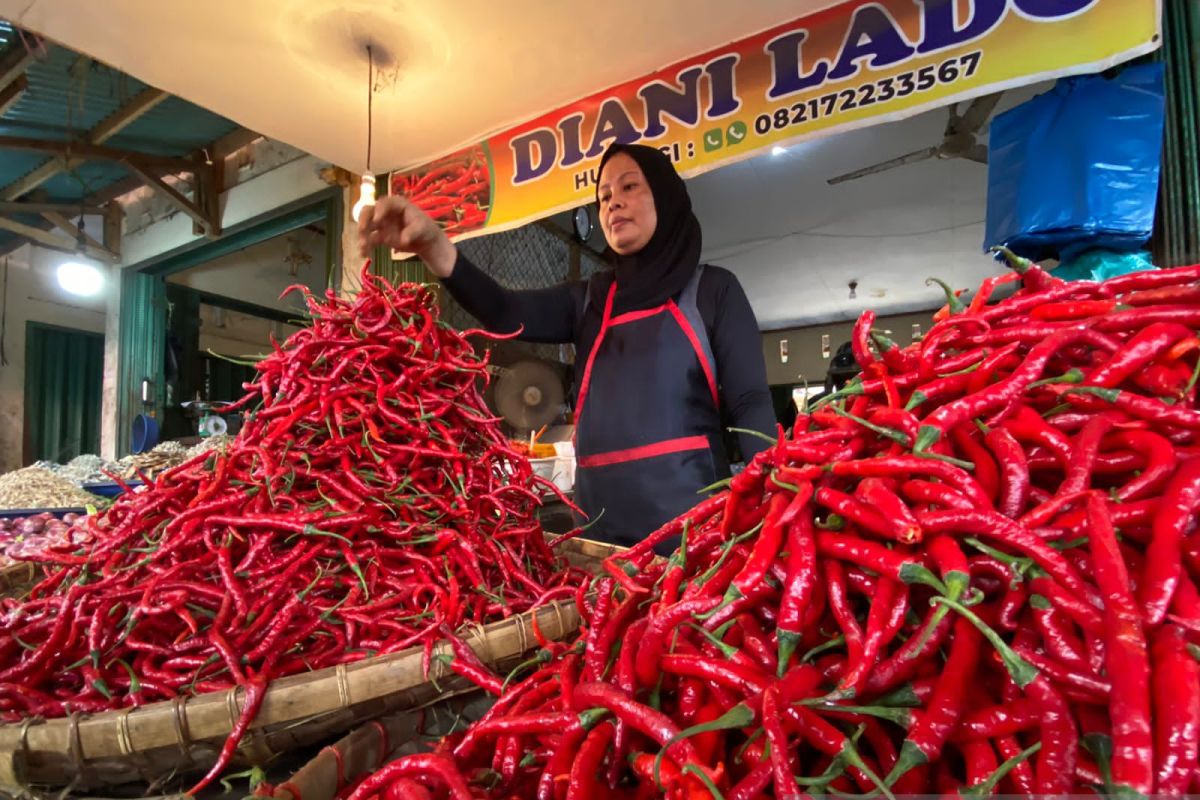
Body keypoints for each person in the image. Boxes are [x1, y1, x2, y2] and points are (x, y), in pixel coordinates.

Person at [358, 143, 775, 549]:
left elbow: (750, 402)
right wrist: (435, 246)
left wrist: (773, 504)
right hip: (598, 537)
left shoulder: (713, 291)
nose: (612, 203)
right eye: (604, 195)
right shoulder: (589, 301)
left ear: (665, 196)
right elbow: (505, 311)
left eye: (629, 187)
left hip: (693, 536)